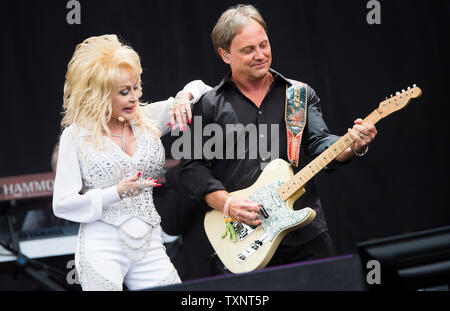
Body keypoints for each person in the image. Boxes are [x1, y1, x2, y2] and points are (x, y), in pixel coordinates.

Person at [179, 4, 377, 276]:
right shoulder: (209, 105)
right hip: (246, 239)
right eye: (248, 50)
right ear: (225, 55)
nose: (260, 55)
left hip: (304, 235)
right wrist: (227, 204)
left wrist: (352, 145)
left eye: (264, 44)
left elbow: (320, 145)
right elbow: (191, 168)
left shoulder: (298, 94)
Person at [52, 34, 211, 291]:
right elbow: (62, 204)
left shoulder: (147, 119)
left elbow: (203, 87)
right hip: (101, 244)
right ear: (100, 95)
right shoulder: (76, 135)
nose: (134, 97)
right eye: (124, 92)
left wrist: (184, 97)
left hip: (149, 243)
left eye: (136, 87)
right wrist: (114, 193)